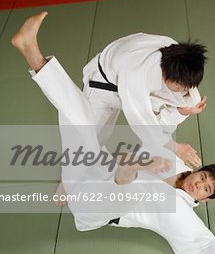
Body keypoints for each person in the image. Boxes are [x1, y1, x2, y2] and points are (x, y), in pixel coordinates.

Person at [11, 11, 215, 254]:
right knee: (79, 123)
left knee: (123, 183)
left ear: (205, 200)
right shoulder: (138, 76)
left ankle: (117, 172)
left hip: (99, 206)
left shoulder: (179, 208)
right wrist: (173, 141)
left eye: (205, 188)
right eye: (203, 177)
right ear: (199, 170)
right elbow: (144, 123)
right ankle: (31, 52)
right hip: (106, 85)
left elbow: (198, 238)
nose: (199, 183)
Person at [83, 31, 208, 169]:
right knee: (89, 137)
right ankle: (75, 176)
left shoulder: (177, 55)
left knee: (107, 132)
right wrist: (175, 148)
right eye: (180, 86)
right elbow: (141, 122)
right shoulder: (137, 76)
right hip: (101, 86)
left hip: (123, 68)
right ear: (168, 76)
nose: (183, 90)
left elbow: (183, 93)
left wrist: (186, 109)